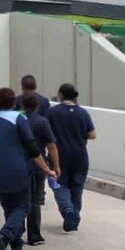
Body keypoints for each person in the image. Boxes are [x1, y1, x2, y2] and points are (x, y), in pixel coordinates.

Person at [0, 87, 54, 250]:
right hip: (17, 169)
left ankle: (17, 247)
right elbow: (32, 148)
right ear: (14, 103)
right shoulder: (19, 119)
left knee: (8, 207)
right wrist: (45, 168)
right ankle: (3, 237)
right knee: (23, 206)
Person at [46, 83, 96, 232]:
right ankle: (74, 217)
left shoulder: (53, 112)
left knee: (60, 185)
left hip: (59, 157)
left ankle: (67, 210)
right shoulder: (83, 113)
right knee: (77, 188)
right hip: (80, 156)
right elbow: (92, 134)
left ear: (60, 95)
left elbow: (46, 134)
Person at [23, 94, 60, 246]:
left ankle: (15, 232)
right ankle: (34, 235)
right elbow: (51, 146)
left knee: (20, 200)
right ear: (37, 106)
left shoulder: (18, 120)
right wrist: (56, 166)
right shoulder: (42, 122)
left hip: (20, 164)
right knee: (35, 200)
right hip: (38, 167)